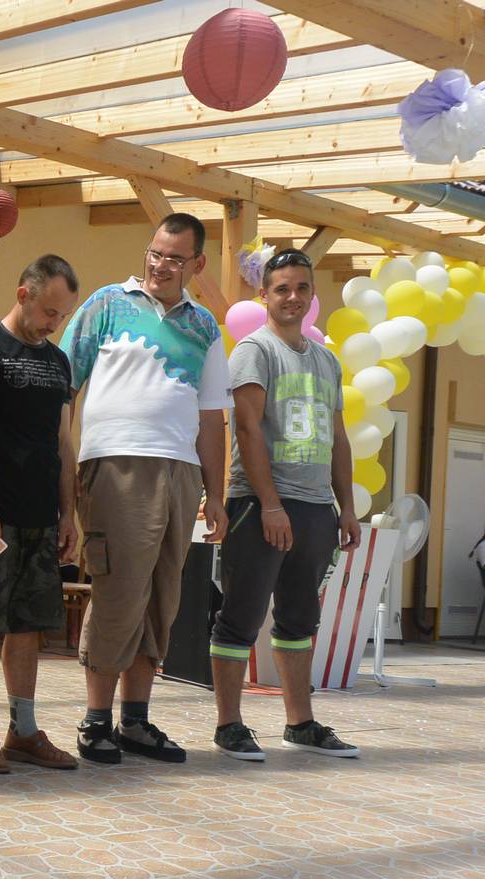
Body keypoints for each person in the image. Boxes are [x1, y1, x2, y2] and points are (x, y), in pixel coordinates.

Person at [60, 214, 231, 767]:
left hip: (181, 471)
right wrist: (63, 466)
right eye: (155, 253)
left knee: (162, 597)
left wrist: (216, 494)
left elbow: (213, 419)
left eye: (175, 258)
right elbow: (63, 387)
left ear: (197, 264)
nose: (160, 266)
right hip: (115, 464)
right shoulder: (107, 304)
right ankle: (95, 720)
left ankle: (134, 720)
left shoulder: (205, 327)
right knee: (120, 590)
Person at [208, 248, 360, 761]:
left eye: (301, 288)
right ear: (264, 295)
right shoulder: (254, 351)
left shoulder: (327, 360)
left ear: (312, 294)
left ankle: (301, 723)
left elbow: (338, 437)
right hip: (260, 506)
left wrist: (346, 507)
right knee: (241, 616)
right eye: (282, 289)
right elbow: (247, 428)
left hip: (315, 508)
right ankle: (229, 725)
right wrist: (270, 505)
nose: (292, 297)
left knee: (300, 619)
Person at [0, 255, 83, 774]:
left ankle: (23, 730)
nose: (54, 323)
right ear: (24, 294)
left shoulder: (59, 362)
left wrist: (68, 514)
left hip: (41, 514)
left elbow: (64, 442)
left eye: (63, 315)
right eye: (49, 311)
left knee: (29, 624)